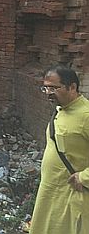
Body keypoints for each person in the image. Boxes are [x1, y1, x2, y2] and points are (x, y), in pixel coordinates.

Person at [30, 65, 89, 233]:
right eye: (45, 88)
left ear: (72, 87)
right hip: (50, 191)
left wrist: (84, 177)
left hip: (73, 194)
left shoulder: (86, 115)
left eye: (54, 88)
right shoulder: (60, 110)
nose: (48, 92)